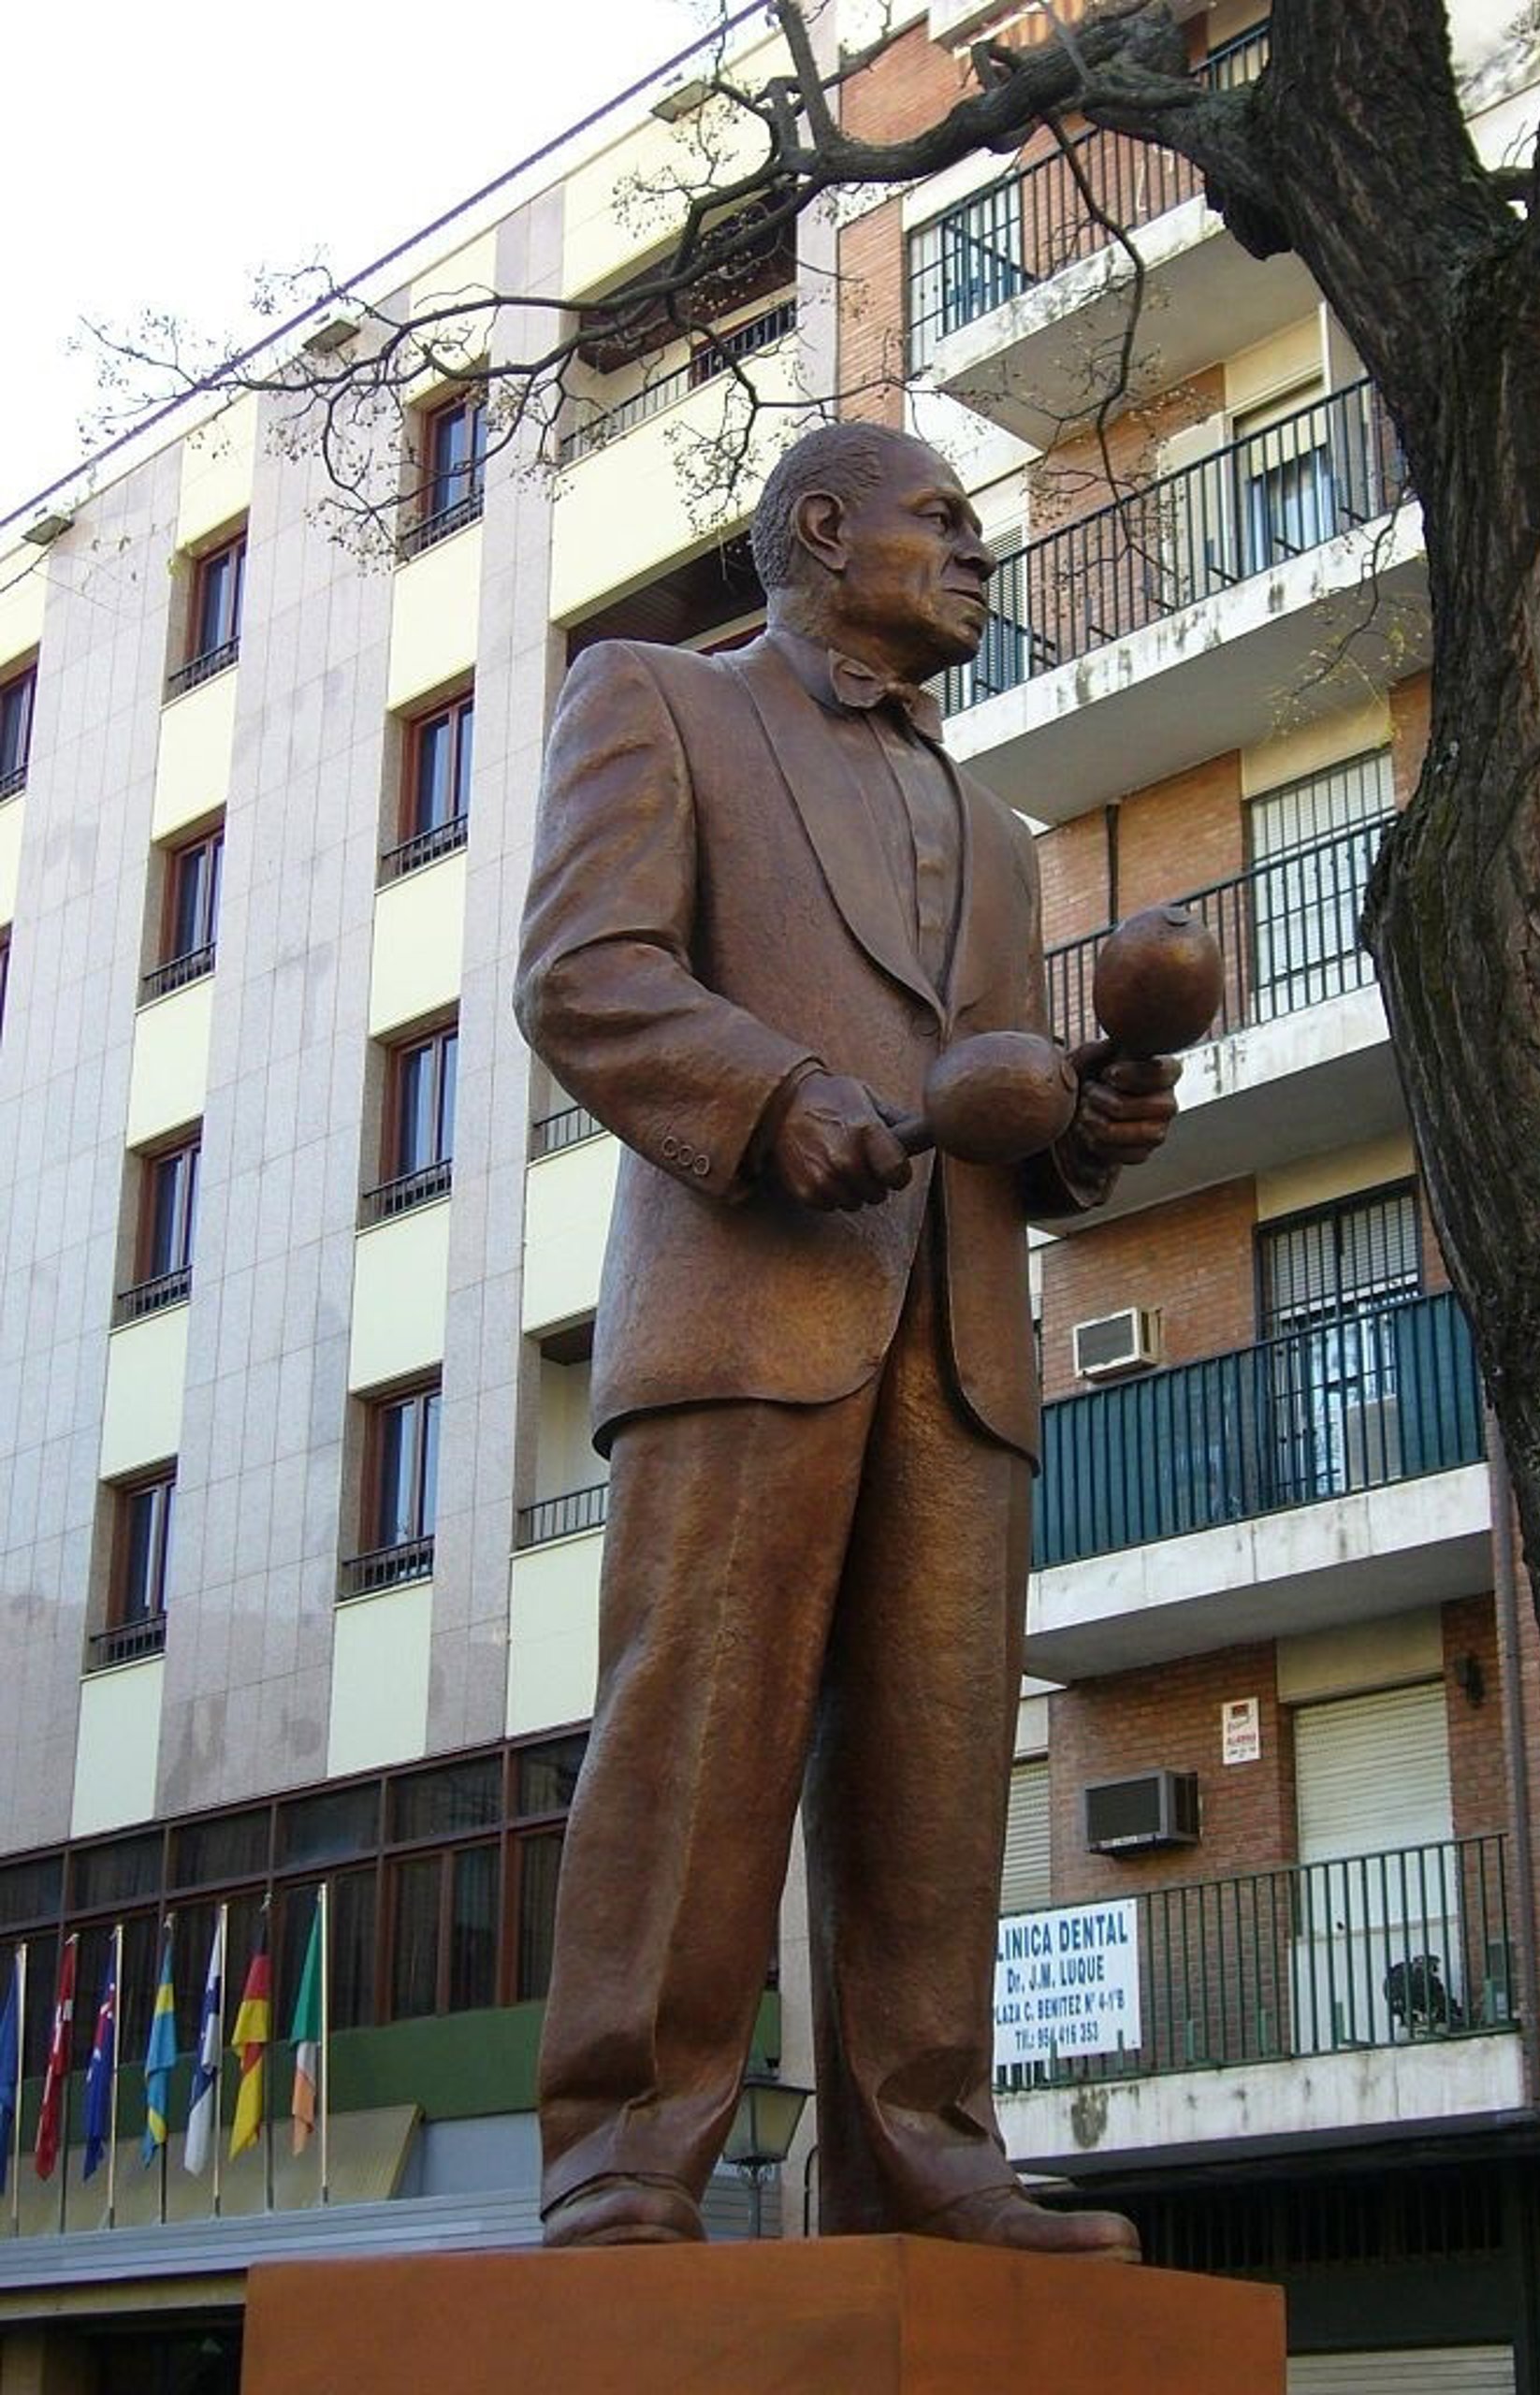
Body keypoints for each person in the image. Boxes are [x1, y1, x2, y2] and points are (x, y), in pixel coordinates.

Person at [515, 420, 1177, 2257]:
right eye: (942, 520)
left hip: (959, 1349)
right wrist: (776, 1095)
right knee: (697, 1730)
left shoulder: (998, 835)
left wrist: (1087, 1127)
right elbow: (586, 970)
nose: (979, 553)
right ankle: (623, 2155)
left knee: (940, 1763)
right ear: (820, 527)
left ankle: (925, 2157)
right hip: (750, 1304)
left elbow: (1000, 1113)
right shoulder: (657, 699)